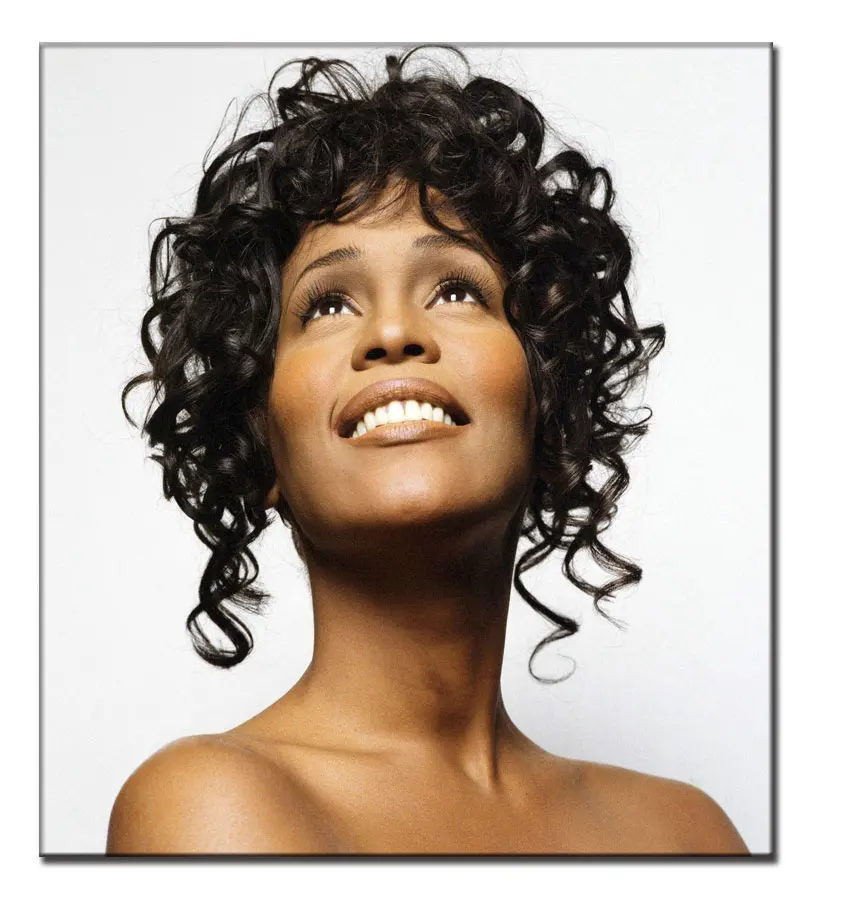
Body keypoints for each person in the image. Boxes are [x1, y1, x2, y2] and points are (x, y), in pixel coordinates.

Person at [109, 46, 748, 854]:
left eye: (456, 289)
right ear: (260, 442)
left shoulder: (688, 835)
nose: (392, 332)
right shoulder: (209, 809)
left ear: (547, 408)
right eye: (327, 305)